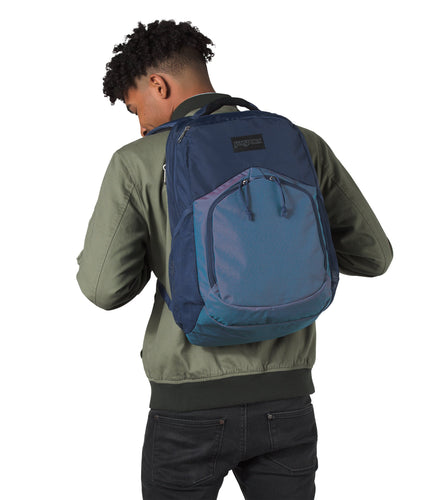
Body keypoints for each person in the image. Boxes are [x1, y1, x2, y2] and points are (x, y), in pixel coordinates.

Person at [76, 19, 393, 500]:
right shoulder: (302, 143)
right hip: (288, 401)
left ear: (158, 84)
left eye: (135, 108)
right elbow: (375, 256)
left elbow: (104, 289)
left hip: (187, 406)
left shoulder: (137, 160)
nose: (140, 125)